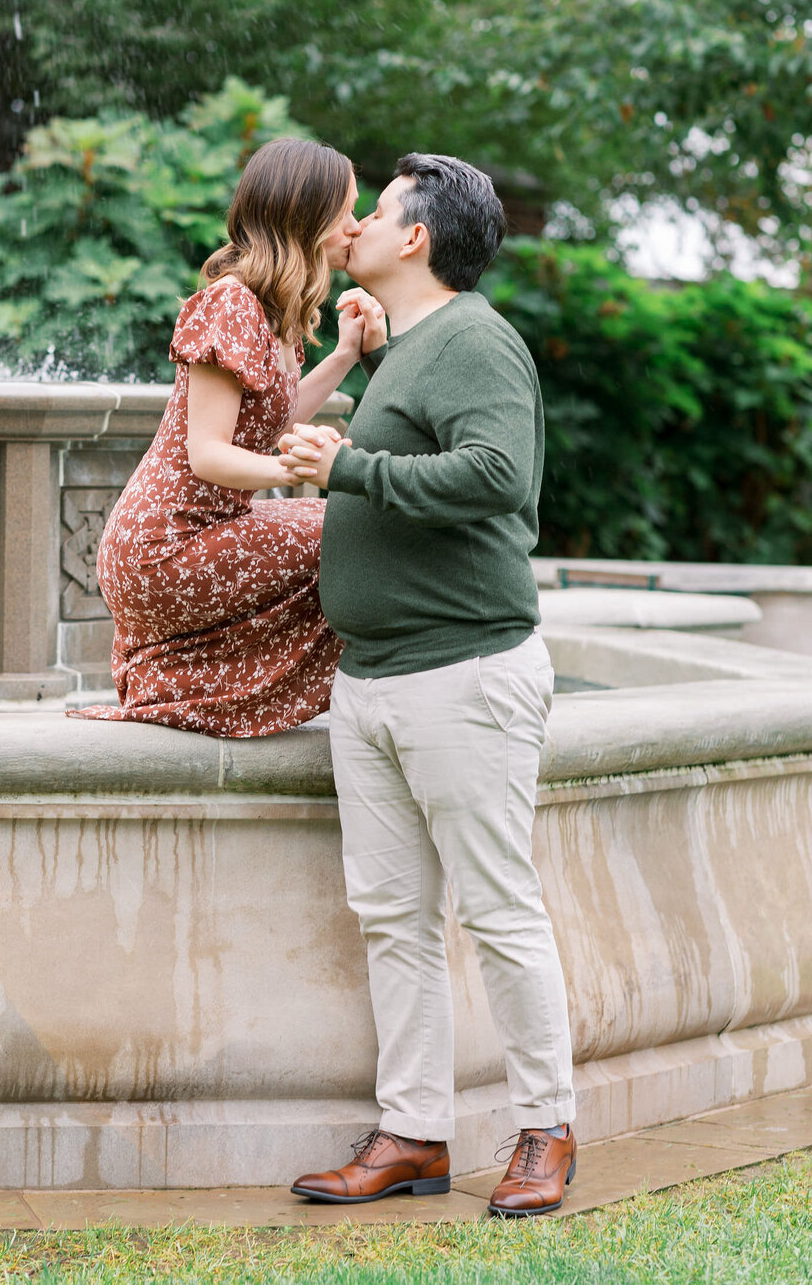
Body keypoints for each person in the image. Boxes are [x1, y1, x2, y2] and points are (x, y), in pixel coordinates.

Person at [279, 153, 577, 1218]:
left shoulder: (473, 340)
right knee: (394, 917)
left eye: (376, 210)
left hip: (467, 673)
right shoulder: (402, 348)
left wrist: (347, 467)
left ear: (417, 239)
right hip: (373, 680)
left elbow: (502, 477)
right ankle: (414, 1133)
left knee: (497, 910)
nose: (352, 222)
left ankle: (546, 1127)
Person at [71, 136, 365, 737]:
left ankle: (178, 685)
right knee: (357, 523)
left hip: (206, 532)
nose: (356, 228)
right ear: (305, 214)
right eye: (346, 213)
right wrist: (310, 468)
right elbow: (209, 455)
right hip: (165, 545)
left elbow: (269, 422)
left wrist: (343, 358)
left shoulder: (269, 309)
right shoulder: (230, 302)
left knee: (357, 523)